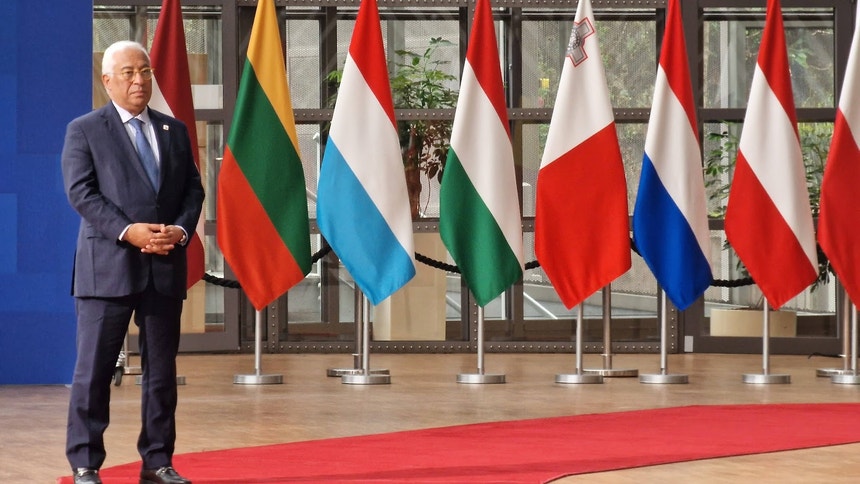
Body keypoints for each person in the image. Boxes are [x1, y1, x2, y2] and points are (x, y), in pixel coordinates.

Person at [61, 40, 204, 484]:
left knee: (161, 375)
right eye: (128, 73)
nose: (139, 80)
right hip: (107, 268)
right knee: (94, 373)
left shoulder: (173, 129)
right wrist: (129, 231)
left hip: (164, 266)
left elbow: (193, 190)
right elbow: (82, 193)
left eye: (145, 71)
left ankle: (158, 462)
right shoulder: (85, 130)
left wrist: (179, 231)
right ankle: (85, 464)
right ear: (107, 81)